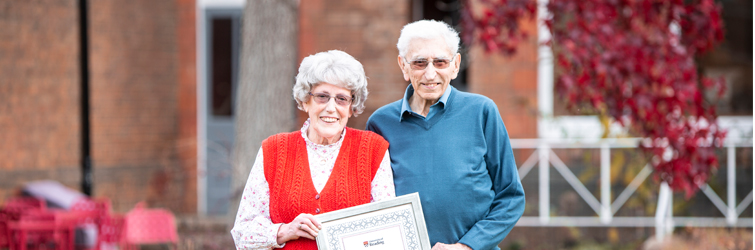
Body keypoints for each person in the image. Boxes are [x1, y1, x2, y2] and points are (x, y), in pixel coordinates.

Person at [366, 20, 525, 250]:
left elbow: (510, 197)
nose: (430, 74)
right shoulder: (381, 123)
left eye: (440, 62)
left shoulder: (481, 112)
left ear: (455, 64)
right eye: (419, 63)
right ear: (403, 66)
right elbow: (369, 202)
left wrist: (467, 246)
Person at [231, 50, 394, 249]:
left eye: (341, 99)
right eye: (322, 96)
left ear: (352, 107)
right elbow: (243, 232)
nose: (331, 108)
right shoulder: (273, 150)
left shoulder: (372, 150)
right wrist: (284, 231)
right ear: (305, 101)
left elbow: (388, 230)